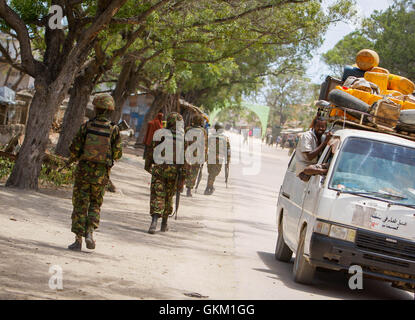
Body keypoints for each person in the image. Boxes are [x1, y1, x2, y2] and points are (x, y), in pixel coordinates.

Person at [67, 93, 123, 251]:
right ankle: (90, 233)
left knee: (80, 205)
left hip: (83, 173)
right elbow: (118, 154)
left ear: (96, 108)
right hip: (101, 176)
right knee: (95, 205)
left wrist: (74, 157)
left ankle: (77, 240)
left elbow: (75, 148)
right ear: (110, 110)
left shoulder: (87, 126)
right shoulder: (114, 129)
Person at [146, 112, 188, 234]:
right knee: (168, 197)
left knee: (157, 195)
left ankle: (154, 222)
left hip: (159, 170)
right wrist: (182, 179)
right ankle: (164, 223)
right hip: (174, 173)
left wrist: (148, 165)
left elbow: (151, 150)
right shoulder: (183, 139)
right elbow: (185, 161)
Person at [184, 114, 208, 197]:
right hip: (198, 155)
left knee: (184, 169)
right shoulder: (203, 131)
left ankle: (179, 186)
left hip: (186, 153)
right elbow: (205, 145)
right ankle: (189, 189)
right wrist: (205, 157)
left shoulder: (187, 129)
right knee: (194, 172)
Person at [205, 122, 231, 195]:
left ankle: (210, 186)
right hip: (218, 158)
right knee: (213, 174)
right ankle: (208, 188)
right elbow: (228, 150)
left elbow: (206, 146)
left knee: (211, 173)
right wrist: (228, 161)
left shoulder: (210, 137)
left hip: (210, 157)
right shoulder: (225, 139)